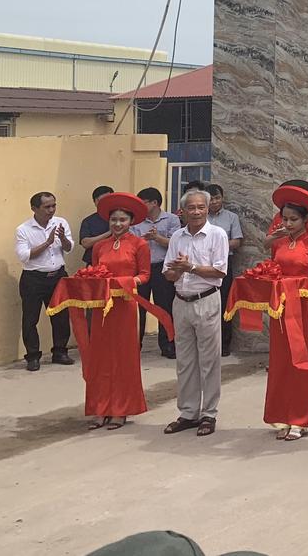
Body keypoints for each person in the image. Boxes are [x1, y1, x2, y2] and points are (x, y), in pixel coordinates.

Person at [161, 188, 229, 438]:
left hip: (206, 300)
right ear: (183, 211)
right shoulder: (177, 236)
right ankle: (188, 412)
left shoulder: (217, 234)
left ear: (208, 209)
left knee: (209, 360)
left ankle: (209, 413)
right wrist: (178, 270)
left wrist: (190, 267)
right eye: (191, 207)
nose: (197, 212)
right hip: (181, 301)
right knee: (185, 360)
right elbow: (168, 274)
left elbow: (220, 271)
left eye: (201, 207)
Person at [262, 186, 308, 441]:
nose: (288, 224)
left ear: (306, 220)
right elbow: (272, 267)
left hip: (302, 307)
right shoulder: (278, 243)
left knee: (303, 361)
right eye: (285, 219)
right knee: (281, 363)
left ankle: (301, 419)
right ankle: (281, 415)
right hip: (280, 306)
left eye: (294, 219)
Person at [83, 192, 153, 429]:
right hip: (102, 307)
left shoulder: (139, 244)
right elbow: (95, 272)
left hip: (125, 305)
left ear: (131, 221)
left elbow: (145, 275)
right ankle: (100, 407)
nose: (118, 224)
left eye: (123, 219)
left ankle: (120, 409)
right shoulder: (99, 246)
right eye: (114, 219)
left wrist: (127, 282)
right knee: (100, 357)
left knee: (123, 357)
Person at [15, 191, 74, 371]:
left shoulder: (61, 222)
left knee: (61, 316)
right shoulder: (23, 229)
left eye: (54, 205)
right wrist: (47, 243)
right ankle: (33, 357)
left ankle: (60, 352)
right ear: (34, 208)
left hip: (57, 276)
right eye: (47, 207)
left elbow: (69, 248)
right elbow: (24, 256)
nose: (51, 210)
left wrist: (62, 238)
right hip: (33, 278)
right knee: (30, 319)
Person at [132, 187, 181, 359]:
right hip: (141, 269)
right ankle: (134, 345)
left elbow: (176, 243)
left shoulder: (172, 219)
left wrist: (157, 238)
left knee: (164, 307)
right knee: (138, 308)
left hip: (163, 267)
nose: (140, 206)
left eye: (143, 203)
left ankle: (168, 345)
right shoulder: (136, 221)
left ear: (154, 203)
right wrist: (143, 240)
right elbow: (131, 244)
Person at [205, 184, 243, 357]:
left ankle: (224, 344)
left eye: (217, 198)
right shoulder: (200, 217)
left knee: (224, 302)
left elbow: (237, 241)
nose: (214, 202)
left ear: (222, 198)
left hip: (224, 263)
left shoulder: (231, 217)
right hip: (203, 263)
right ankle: (206, 343)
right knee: (205, 303)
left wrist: (217, 246)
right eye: (211, 199)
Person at [78, 185, 115, 266]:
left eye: (107, 200)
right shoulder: (88, 221)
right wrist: (109, 233)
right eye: (101, 201)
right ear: (95, 202)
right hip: (94, 262)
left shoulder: (121, 218)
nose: (104, 203)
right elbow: (85, 243)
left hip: (117, 261)